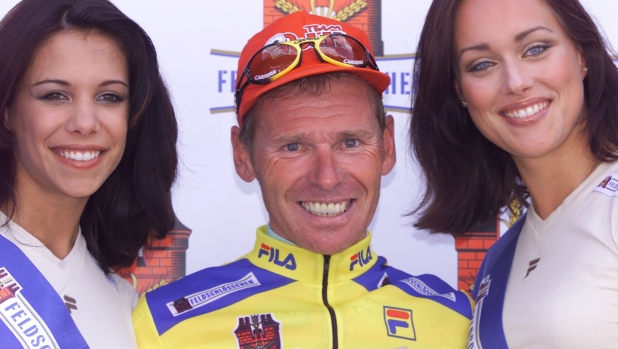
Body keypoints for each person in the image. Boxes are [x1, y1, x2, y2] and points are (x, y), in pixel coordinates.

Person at [132, 11, 472, 349]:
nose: (326, 178)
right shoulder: (164, 327)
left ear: (387, 145)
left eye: (350, 142)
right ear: (243, 156)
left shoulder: (458, 320)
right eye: (293, 146)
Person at [411, 0, 618, 347]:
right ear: (460, 91)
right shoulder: (499, 259)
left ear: (582, 54)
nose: (516, 82)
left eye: (535, 49)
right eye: (482, 64)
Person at [0, 0, 177, 347]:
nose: (85, 123)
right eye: (55, 95)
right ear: (6, 111)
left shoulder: (126, 308)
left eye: (109, 97)